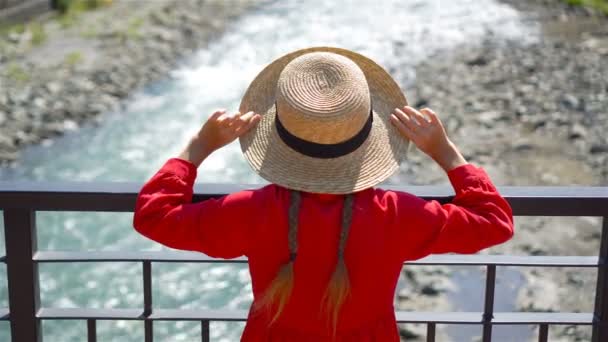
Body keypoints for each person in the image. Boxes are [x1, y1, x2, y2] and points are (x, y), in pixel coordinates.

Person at [133, 47, 514, 341]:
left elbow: (154, 216)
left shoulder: (254, 211)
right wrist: (446, 154)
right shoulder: (397, 214)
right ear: (369, 139)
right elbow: (494, 223)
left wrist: (198, 148)